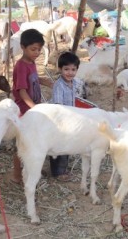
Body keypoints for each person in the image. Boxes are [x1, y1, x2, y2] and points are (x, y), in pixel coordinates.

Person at [11, 29, 53, 184]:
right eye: (33, 49)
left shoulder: (31, 62)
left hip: (34, 108)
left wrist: (43, 81)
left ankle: (32, 167)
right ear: (23, 47)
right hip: (24, 109)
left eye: (39, 49)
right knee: (22, 143)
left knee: (35, 141)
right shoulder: (21, 66)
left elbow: (32, 79)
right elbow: (21, 91)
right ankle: (16, 173)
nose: (37, 52)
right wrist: (34, 108)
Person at [49, 51, 80, 181]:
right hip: (59, 120)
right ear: (60, 69)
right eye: (66, 69)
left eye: (73, 69)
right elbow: (58, 107)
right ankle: (58, 172)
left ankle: (62, 169)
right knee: (59, 147)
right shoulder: (59, 85)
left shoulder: (75, 83)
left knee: (66, 145)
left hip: (70, 119)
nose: (70, 72)